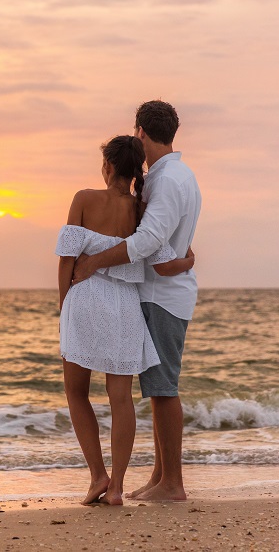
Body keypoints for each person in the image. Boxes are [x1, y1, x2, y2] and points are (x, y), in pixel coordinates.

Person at [72, 100, 202, 502]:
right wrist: (184, 260)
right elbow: (168, 237)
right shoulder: (177, 175)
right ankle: (160, 476)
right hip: (163, 292)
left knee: (163, 389)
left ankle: (173, 483)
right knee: (157, 387)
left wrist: (94, 262)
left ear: (141, 133)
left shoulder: (167, 180)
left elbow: (147, 241)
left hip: (161, 298)